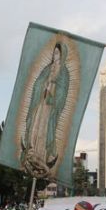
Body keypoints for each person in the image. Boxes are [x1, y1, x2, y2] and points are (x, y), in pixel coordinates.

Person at [21, 42, 70, 178]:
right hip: (41, 104)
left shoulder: (64, 72)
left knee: (44, 130)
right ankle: (32, 152)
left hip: (50, 109)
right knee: (35, 127)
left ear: (62, 55)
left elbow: (63, 91)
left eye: (57, 53)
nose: (55, 56)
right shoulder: (48, 68)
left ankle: (41, 155)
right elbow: (37, 83)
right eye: (54, 53)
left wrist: (53, 89)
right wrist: (44, 86)